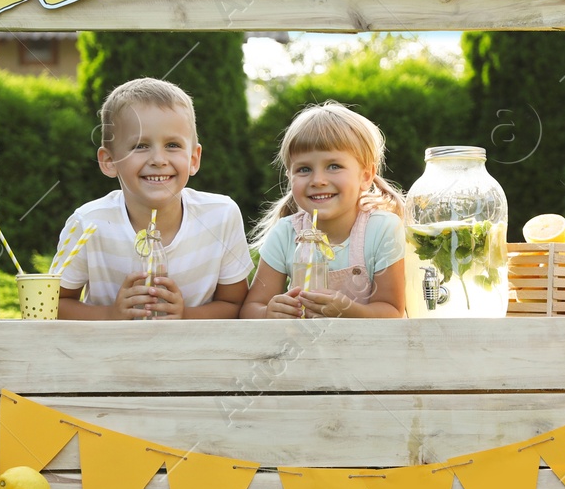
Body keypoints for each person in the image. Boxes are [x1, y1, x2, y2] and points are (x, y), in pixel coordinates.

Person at [57, 77, 250, 319]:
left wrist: (185, 315)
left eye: (172, 145)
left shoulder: (221, 215)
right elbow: (53, 304)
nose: (158, 159)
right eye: (140, 146)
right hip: (109, 355)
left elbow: (236, 305)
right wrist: (110, 315)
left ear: (194, 159)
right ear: (109, 161)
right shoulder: (87, 223)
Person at [241, 102, 407, 319]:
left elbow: (392, 311)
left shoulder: (382, 229)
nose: (318, 180)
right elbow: (251, 309)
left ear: (365, 176)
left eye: (334, 166)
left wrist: (347, 311)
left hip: (371, 350)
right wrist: (269, 313)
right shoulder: (285, 233)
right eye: (304, 169)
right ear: (290, 177)